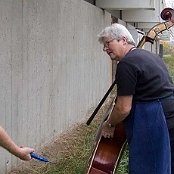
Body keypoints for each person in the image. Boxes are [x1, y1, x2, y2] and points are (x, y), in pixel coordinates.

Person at [98, 23, 174, 174]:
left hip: (153, 120)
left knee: (148, 167)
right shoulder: (151, 56)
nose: (105, 49)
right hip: (170, 116)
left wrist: (109, 124)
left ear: (123, 40)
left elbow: (123, 108)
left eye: (108, 43)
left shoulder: (126, 64)